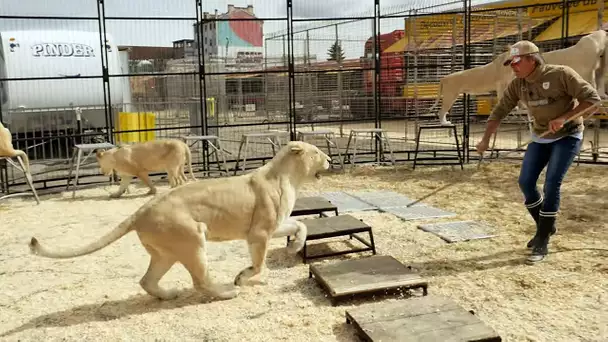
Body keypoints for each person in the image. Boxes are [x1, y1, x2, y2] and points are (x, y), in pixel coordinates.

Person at [476, 40, 602, 264]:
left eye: (516, 62)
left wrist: (564, 118)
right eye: (510, 63)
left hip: (568, 135)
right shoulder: (518, 84)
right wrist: (485, 140)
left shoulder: (561, 74)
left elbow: (593, 99)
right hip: (540, 137)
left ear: (532, 60)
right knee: (525, 182)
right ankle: (546, 226)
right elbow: (499, 111)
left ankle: (542, 239)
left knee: (552, 183)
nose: (512, 67)